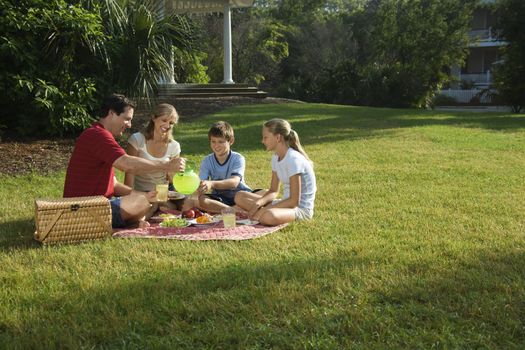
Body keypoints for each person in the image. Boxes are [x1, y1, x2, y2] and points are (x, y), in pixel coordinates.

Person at [63, 94, 185, 229]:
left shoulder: (100, 134)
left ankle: (128, 222)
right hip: (84, 208)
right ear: (111, 113)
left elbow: (113, 184)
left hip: (94, 204)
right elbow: (128, 164)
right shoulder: (97, 135)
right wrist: (166, 165)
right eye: (127, 119)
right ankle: (108, 224)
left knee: (144, 200)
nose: (129, 124)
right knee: (142, 203)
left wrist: (144, 194)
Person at [235, 118, 316, 226]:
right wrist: (259, 204)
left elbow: (294, 201)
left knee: (268, 216)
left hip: (299, 209)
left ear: (278, 137)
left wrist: (264, 210)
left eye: (265, 137)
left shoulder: (294, 160)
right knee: (239, 196)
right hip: (285, 203)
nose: (262, 141)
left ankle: (265, 213)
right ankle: (264, 212)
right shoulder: (276, 157)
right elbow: (273, 190)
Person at [191, 121, 253, 213]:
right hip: (220, 198)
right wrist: (199, 187)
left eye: (221, 142)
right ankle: (233, 210)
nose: (216, 145)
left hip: (239, 196)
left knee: (262, 194)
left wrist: (211, 184)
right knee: (200, 200)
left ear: (231, 141)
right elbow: (202, 183)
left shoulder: (238, 158)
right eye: (213, 141)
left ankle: (229, 209)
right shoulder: (207, 161)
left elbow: (234, 182)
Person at [124, 103, 180, 192]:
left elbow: (172, 180)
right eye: (164, 120)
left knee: (186, 203)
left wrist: (175, 169)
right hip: (141, 193)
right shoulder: (137, 140)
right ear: (154, 118)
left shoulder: (174, 146)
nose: (167, 126)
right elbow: (130, 172)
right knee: (157, 206)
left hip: (162, 193)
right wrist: (127, 196)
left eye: (171, 123)